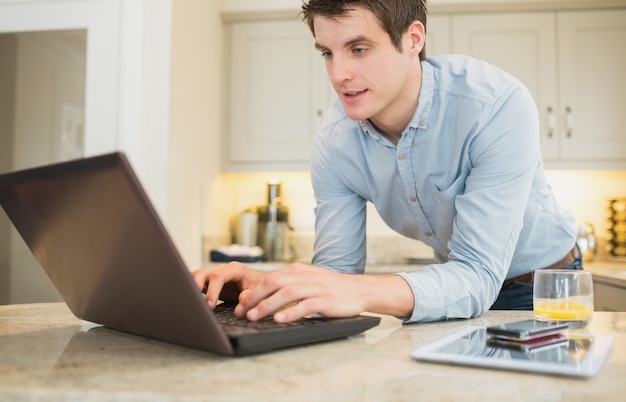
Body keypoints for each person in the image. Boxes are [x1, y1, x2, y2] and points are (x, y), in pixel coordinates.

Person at [192, 0, 580, 324]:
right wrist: (264, 286)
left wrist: (357, 291)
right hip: (453, 291)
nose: (339, 74)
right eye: (328, 53)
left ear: (412, 39)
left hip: (545, 288)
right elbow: (335, 278)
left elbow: (477, 275)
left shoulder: (494, 107)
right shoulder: (336, 140)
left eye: (358, 49)